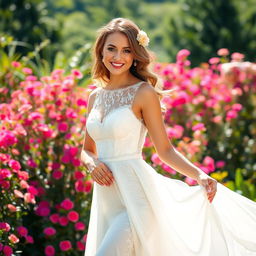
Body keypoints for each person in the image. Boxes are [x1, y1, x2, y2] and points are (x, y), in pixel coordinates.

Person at [80, 17, 256, 256]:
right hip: (107, 200)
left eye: (126, 50)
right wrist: (92, 163)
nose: (117, 57)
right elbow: (87, 149)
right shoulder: (95, 97)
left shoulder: (143, 93)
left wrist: (200, 175)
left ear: (135, 55)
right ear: (101, 50)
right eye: (111, 48)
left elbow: (165, 150)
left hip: (137, 199)